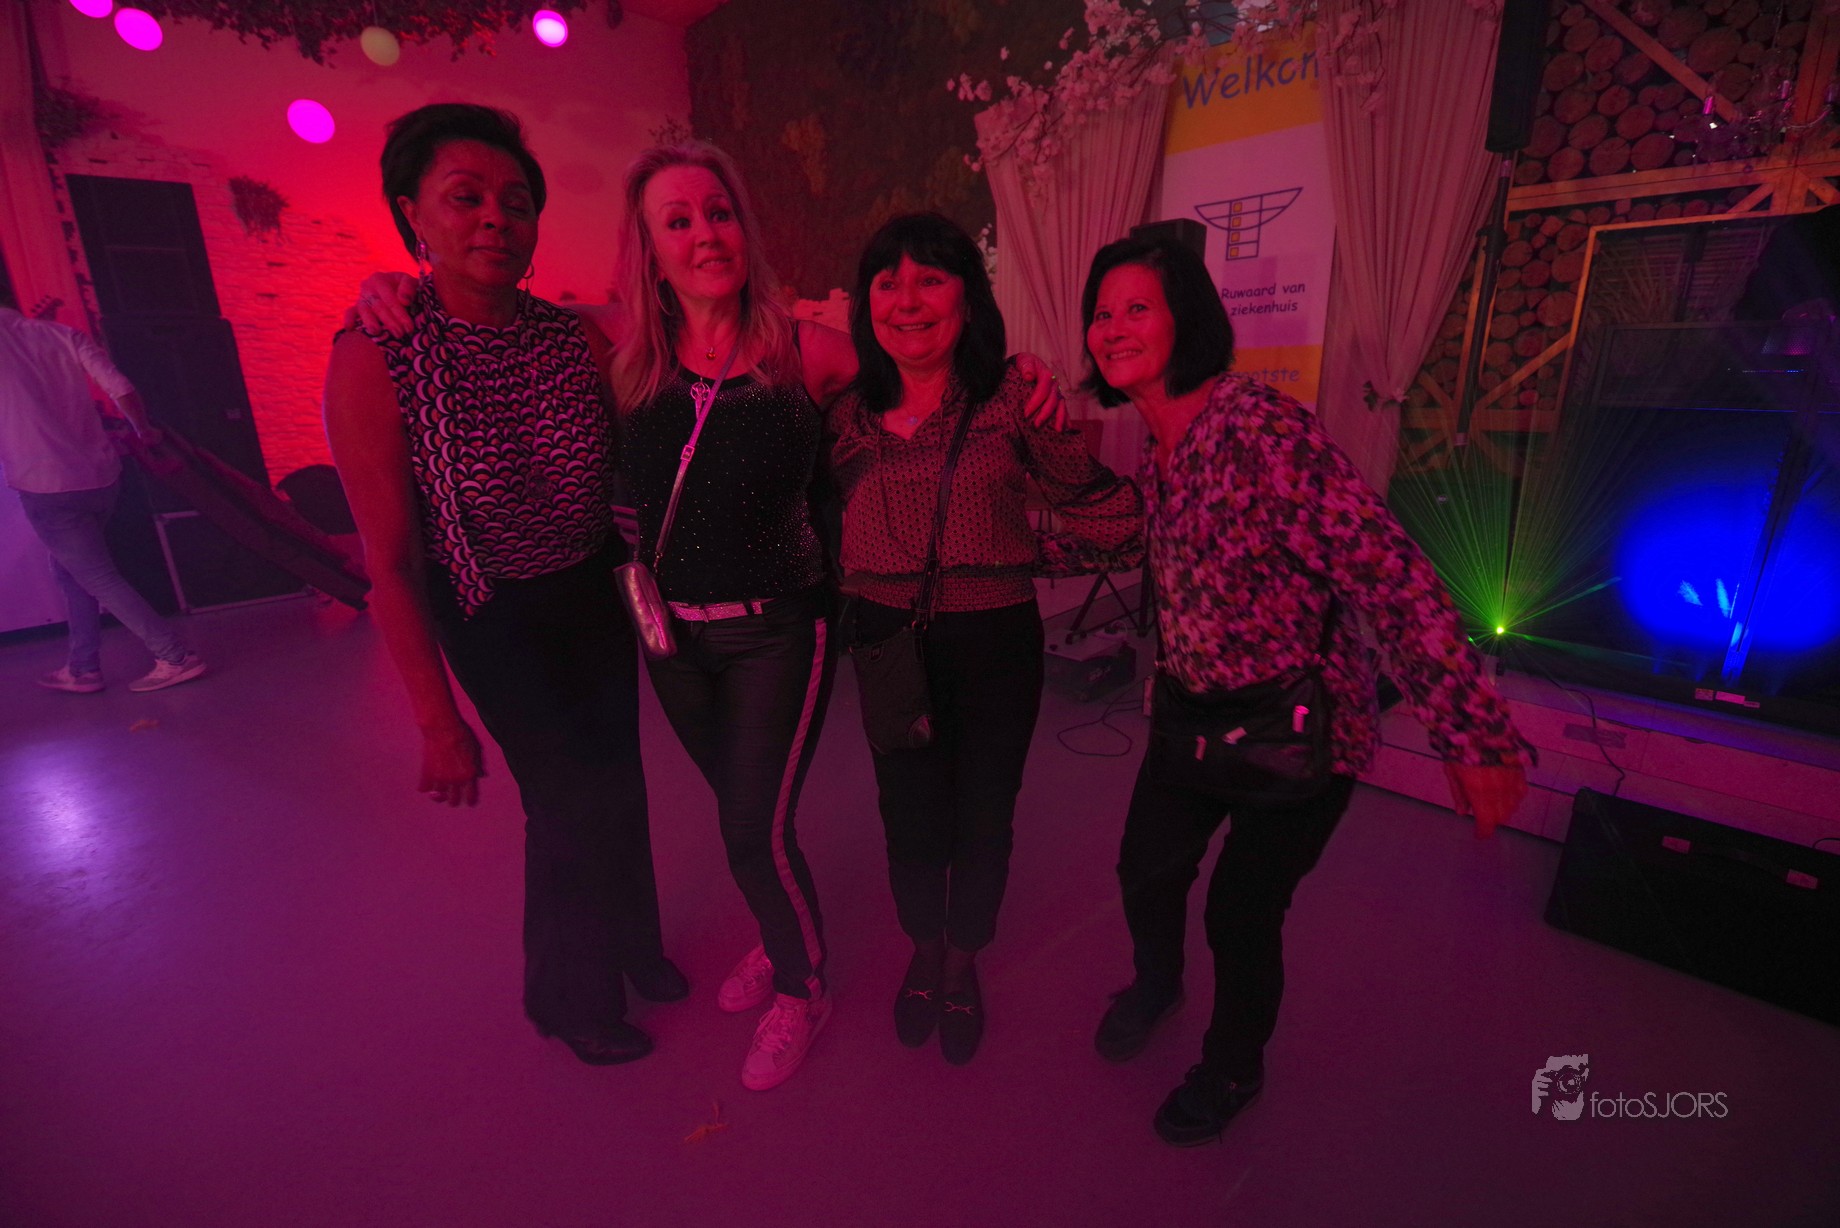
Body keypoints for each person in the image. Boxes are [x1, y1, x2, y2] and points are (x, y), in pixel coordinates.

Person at [355, 140, 1065, 1092]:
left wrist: (1019, 374)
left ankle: (803, 985)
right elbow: (491, 310)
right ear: (648, 247)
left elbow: (924, 374)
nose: (704, 234)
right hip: (670, 639)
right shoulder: (614, 350)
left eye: (718, 213)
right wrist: (390, 286)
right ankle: (780, 933)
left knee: (750, 830)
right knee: (743, 814)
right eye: (677, 220)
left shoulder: (808, 352)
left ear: (745, 227)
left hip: (782, 628)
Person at [1078, 235, 1529, 1146]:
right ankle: (1158, 985)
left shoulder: (1257, 430)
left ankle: (1233, 1065)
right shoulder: (1161, 449)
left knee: (1241, 910)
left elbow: (1387, 571)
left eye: (1137, 307)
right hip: (1194, 712)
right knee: (1145, 867)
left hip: (1301, 723)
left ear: (1186, 319)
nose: (1113, 327)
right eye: (1101, 312)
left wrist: (1472, 734)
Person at [323, 104, 681, 1068]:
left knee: (619, 777)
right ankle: (569, 998)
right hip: (490, 609)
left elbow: (675, 368)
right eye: (465, 197)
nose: (495, 218)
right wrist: (437, 722)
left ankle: (638, 945)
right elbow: (391, 567)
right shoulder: (379, 354)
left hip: (589, 591)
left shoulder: (572, 338)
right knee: (566, 799)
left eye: (516, 202)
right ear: (413, 214)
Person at [827, 213, 1141, 1064]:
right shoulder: (844, 417)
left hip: (995, 643)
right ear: (866, 304)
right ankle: (923, 950)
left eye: (930, 278)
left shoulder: (1012, 399)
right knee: (908, 816)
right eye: (887, 282)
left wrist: (1034, 551)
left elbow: (1100, 510)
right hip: (888, 645)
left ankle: (961, 964)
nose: (907, 300)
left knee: (984, 819)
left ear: (968, 296)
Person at [0, 294, 205, 693]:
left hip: (46, 485)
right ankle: (83, 668)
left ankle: (175, 657)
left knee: (96, 576)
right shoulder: (62, 334)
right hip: (102, 476)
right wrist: (143, 430)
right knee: (71, 571)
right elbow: (121, 388)